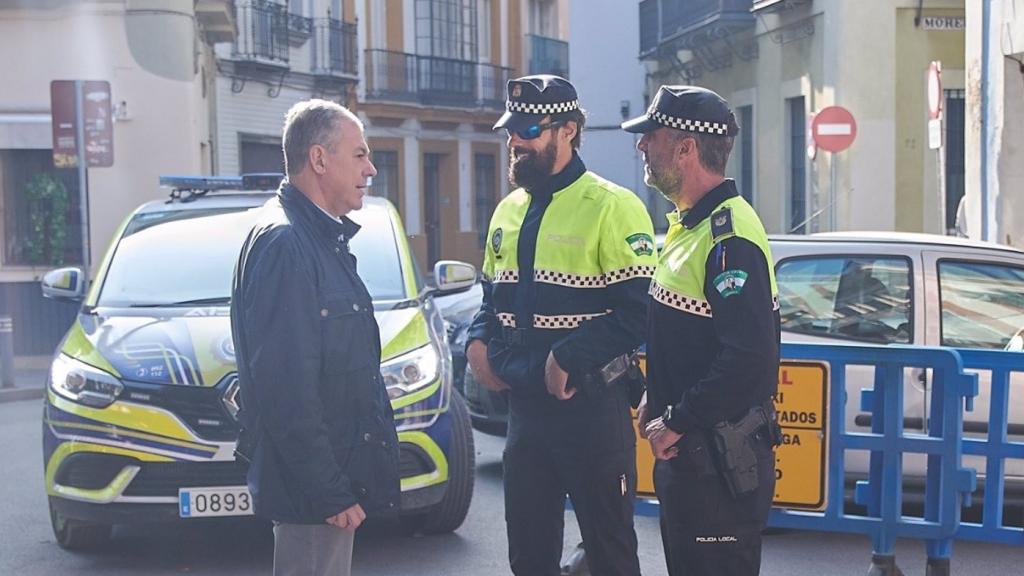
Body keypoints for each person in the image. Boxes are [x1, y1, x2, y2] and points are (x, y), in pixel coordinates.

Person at [466, 75, 656, 576]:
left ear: (568, 130)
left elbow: (641, 311)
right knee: (528, 556)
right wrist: (476, 341)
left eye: (529, 128)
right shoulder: (508, 210)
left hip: (591, 410)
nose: (516, 141)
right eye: (511, 130)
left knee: (610, 551)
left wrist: (568, 355)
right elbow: (491, 297)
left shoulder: (613, 206)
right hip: (525, 412)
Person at [230, 99, 399, 576]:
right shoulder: (286, 244)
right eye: (360, 154)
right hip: (313, 499)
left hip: (324, 490)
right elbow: (286, 388)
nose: (370, 168)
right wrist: (328, 490)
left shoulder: (318, 238)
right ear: (319, 159)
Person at [622, 86, 782, 576]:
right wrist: (659, 396)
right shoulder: (691, 226)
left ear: (686, 148)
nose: (641, 147)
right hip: (695, 457)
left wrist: (678, 418)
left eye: (652, 136)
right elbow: (692, 339)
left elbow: (749, 360)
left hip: (715, 463)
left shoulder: (728, 237)